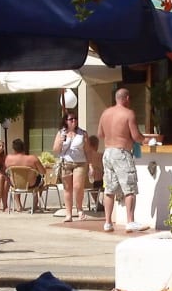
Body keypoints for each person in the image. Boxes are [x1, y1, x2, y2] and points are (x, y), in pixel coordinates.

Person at [97, 88, 148, 233]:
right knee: (129, 188)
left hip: (107, 152)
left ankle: (107, 222)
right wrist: (146, 140)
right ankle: (130, 221)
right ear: (126, 98)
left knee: (109, 189)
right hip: (121, 153)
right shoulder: (128, 113)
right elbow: (136, 136)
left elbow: (100, 134)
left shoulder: (105, 113)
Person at [52, 113, 88, 222]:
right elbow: (55, 150)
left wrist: (90, 164)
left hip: (80, 162)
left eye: (75, 118)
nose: (74, 121)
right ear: (66, 121)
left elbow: (87, 150)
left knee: (78, 186)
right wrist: (60, 141)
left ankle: (80, 209)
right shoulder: (61, 133)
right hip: (66, 162)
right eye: (71, 119)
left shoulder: (82, 133)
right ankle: (68, 214)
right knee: (67, 188)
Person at [5, 138, 46, 212]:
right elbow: (43, 172)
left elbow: (6, 171)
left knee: (16, 179)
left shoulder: (8, 159)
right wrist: (35, 171)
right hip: (31, 184)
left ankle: (18, 206)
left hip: (15, 184)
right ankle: (35, 205)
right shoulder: (33, 158)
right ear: (24, 148)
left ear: (14, 149)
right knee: (41, 181)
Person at [85, 134, 104, 213]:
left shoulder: (85, 155)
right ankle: (98, 203)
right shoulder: (100, 155)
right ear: (96, 145)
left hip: (88, 181)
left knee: (92, 182)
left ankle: (96, 202)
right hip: (99, 181)